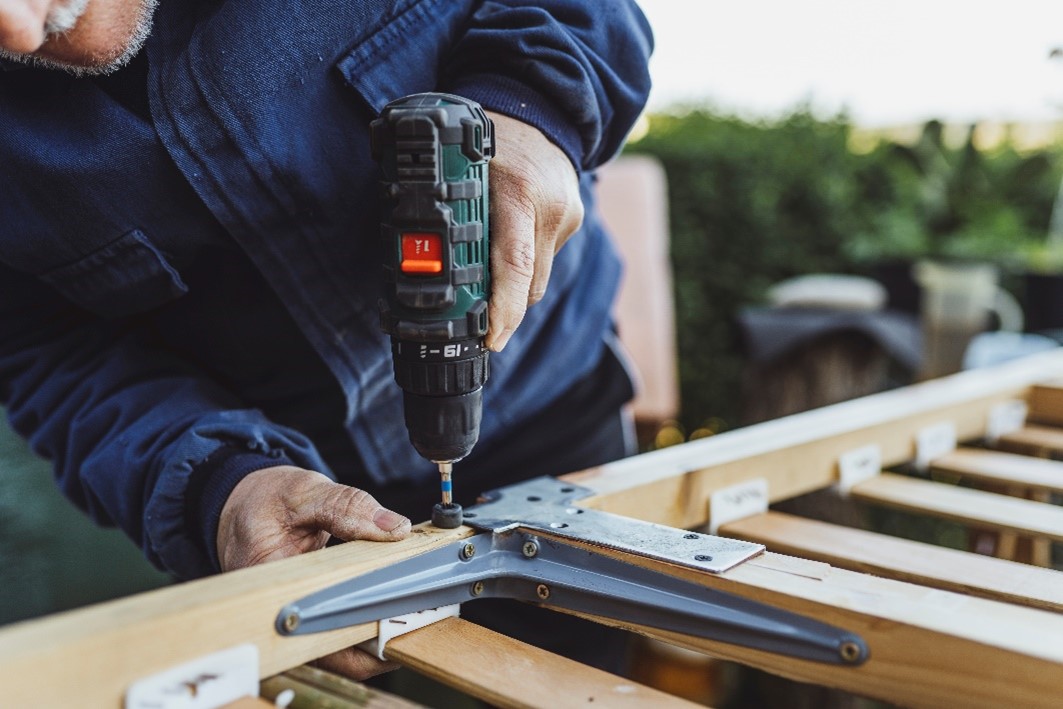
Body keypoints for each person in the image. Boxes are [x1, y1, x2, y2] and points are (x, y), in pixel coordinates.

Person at [0, 0, 653, 679]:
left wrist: (535, 106)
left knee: (574, 681)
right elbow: (43, 351)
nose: (13, 28)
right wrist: (222, 490)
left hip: (550, 416)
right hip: (290, 512)